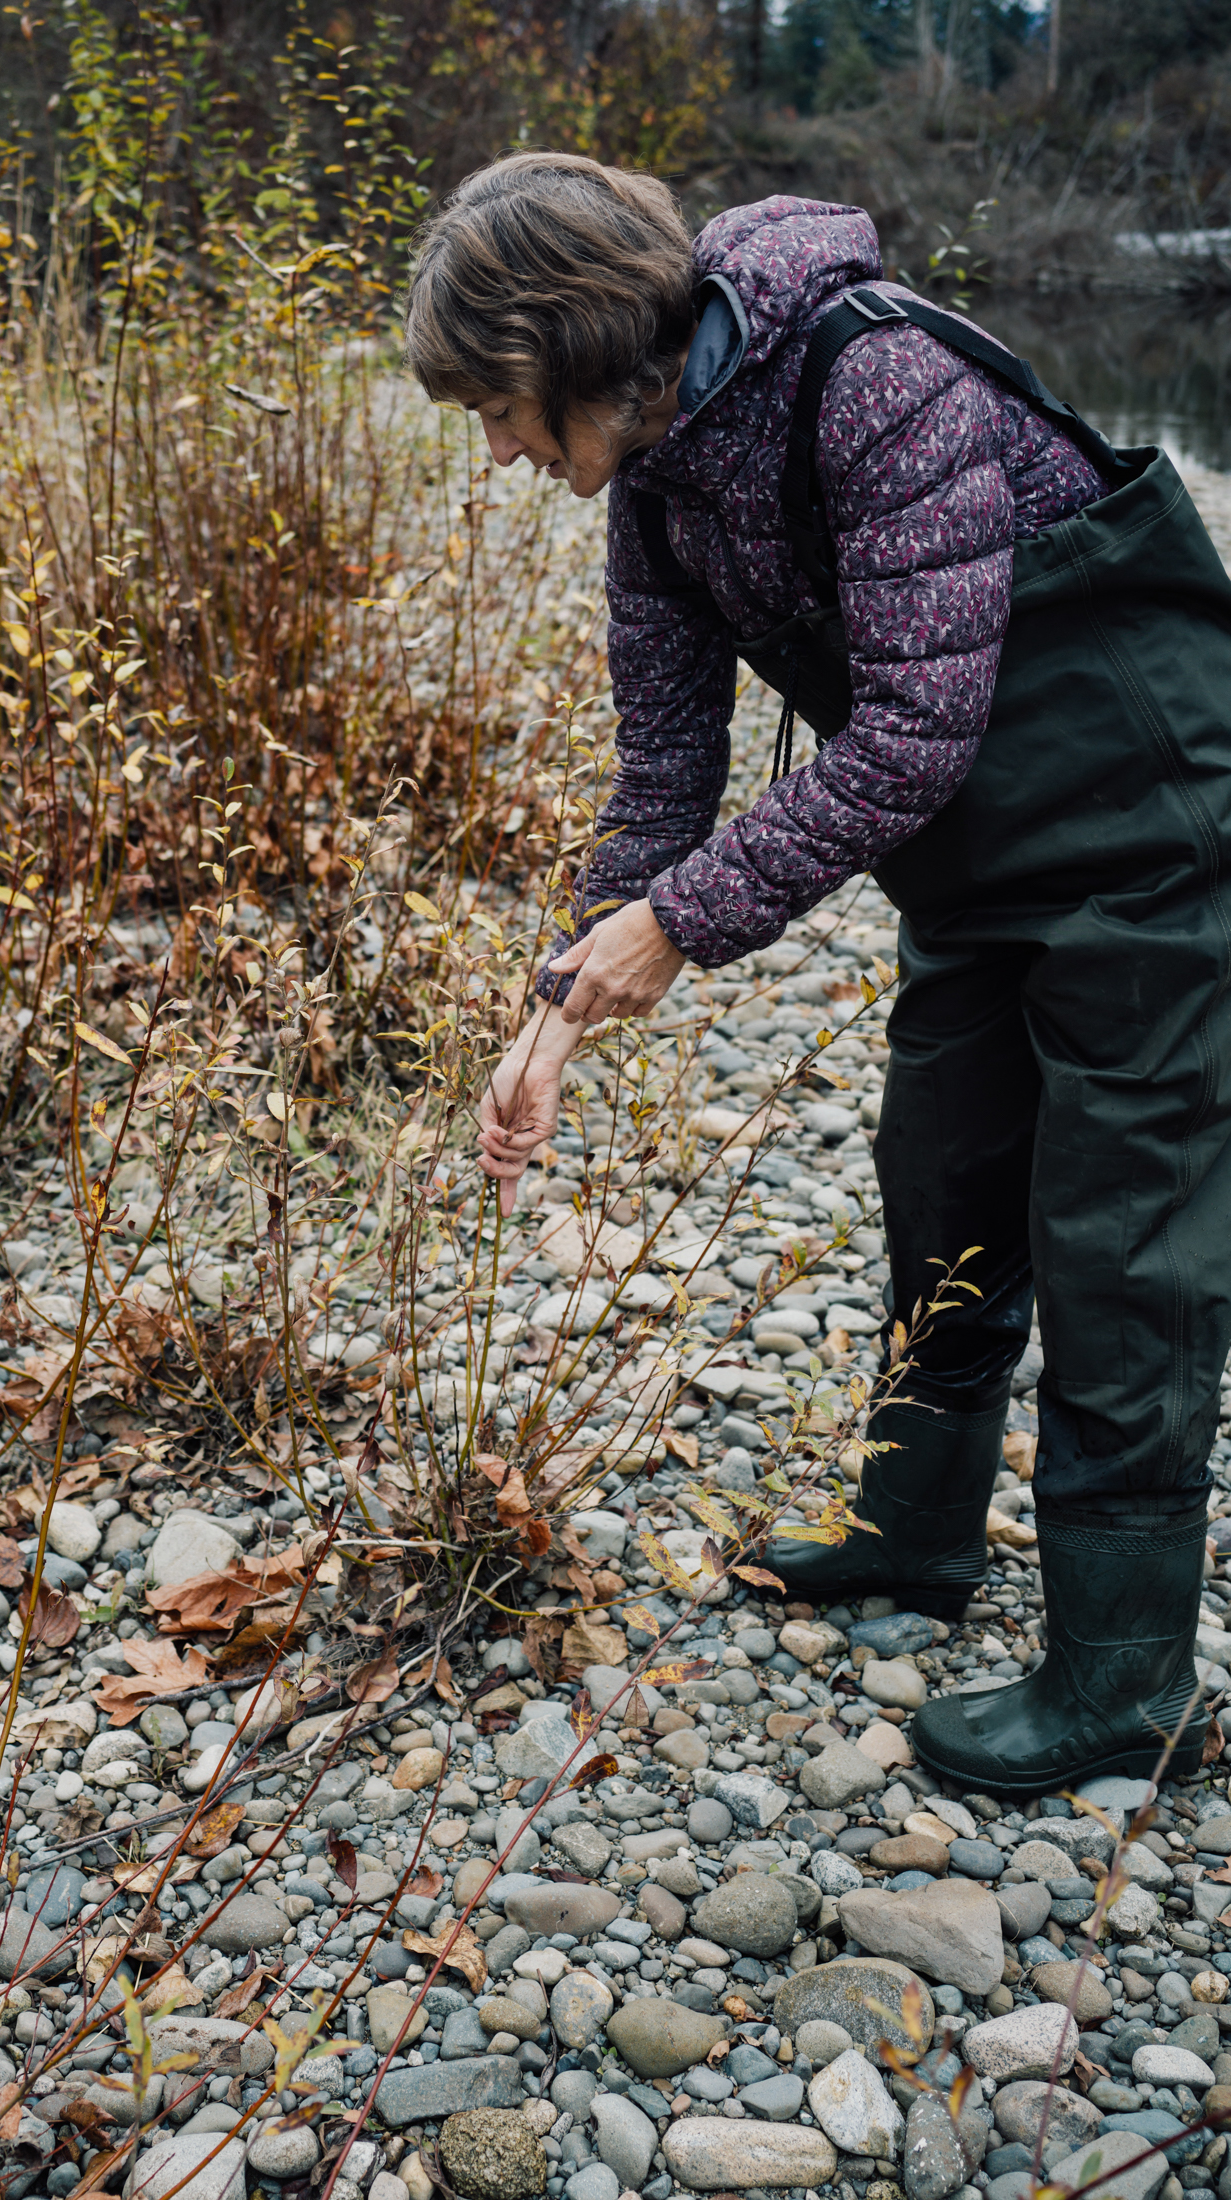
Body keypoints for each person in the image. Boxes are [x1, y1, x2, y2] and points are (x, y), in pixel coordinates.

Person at [402, 152, 1231, 1799]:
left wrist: (678, 930)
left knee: (1120, 1239)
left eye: (496, 408)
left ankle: (1128, 1680)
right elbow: (661, 783)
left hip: (1149, 818)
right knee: (942, 1171)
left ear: (571, 348)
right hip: (979, 856)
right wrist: (553, 1008)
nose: (493, 454)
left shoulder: (875, 374)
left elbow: (913, 735)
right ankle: (914, 1534)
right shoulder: (652, 480)